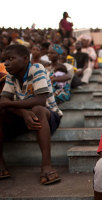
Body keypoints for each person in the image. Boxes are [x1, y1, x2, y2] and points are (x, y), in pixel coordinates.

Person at [0, 44, 62, 184]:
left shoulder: (36, 69)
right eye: (5, 59)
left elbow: (40, 100)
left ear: (25, 59)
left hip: (48, 114)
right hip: (24, 116)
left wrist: (8, 104)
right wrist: (22, 113)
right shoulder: (11, 76)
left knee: (37, 109)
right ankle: (1, 164)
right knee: (2, 112)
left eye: (11, 58)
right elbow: (4, 100)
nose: (6, 63)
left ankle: (47, 166)